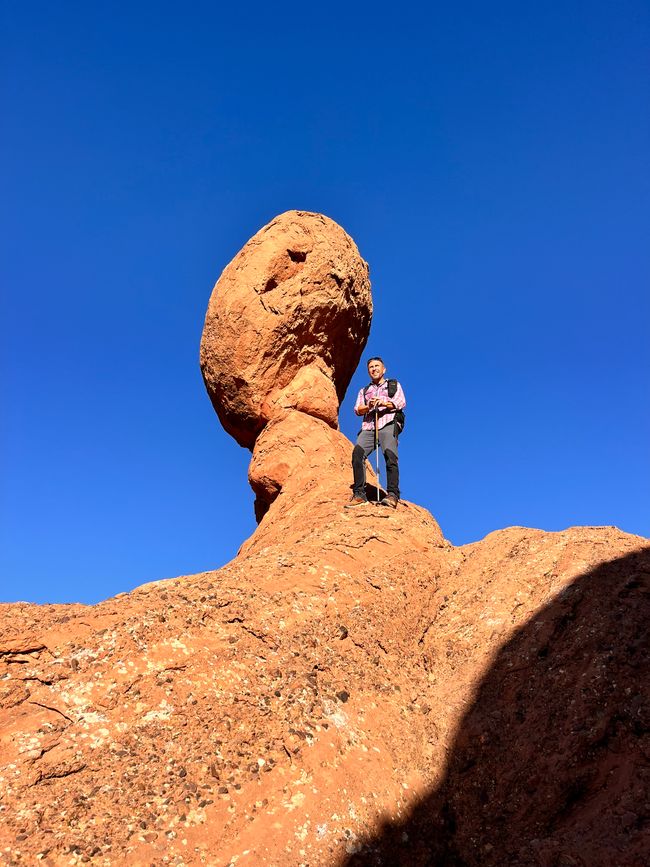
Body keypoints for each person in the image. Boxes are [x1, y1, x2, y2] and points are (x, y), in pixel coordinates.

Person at [345, 357, 406, 509]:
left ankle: (392, 495)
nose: (374, 369)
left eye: (377, 366)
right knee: (357, 454)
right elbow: (357, 409)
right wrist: (369, 405)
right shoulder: (364, 391)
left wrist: (383, 402)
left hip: (388, 422)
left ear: (383, 369)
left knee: (390, 455)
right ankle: (359, 494)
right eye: (371, 367)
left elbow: (401, 402)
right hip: (369, 426)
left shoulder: (393, 385)